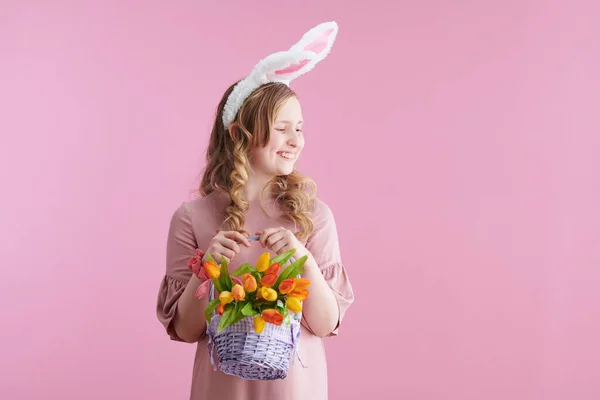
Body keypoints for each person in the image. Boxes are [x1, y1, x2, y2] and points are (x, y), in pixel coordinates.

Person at [156, 21, 354, 400]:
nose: (296, 140)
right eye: (282, 128)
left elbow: (326, 323)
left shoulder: (314, 217)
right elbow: (184, 330)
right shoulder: (191, 218)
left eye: (300, 128)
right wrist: (206, 272)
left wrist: (303, 257)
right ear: (238, 135)